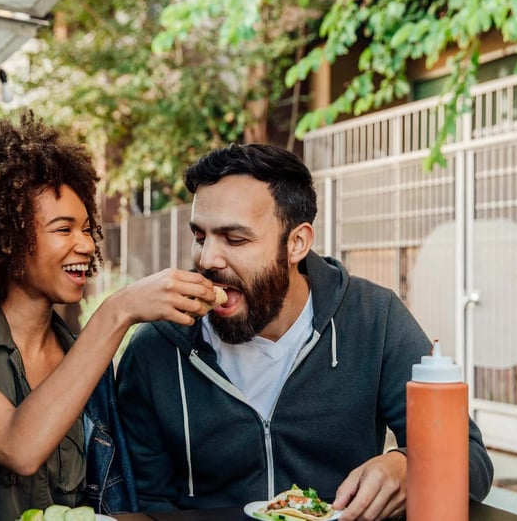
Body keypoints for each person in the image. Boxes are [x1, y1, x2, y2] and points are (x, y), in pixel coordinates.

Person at [0, 112, 220, 521]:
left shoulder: (91, 370)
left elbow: (114, 504)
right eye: (63, 229)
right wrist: (117, 311)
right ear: (5, 240)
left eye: (87, 229)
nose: (85, 244)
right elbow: (20, 447)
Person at [115, 143, 494, 520]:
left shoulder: (373, 318)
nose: (207, 259)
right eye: (201, 236)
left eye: (235, 239)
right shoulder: (155, 349)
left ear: (297, 243)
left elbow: (472, 458)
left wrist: (408, 465)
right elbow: (148, 505)